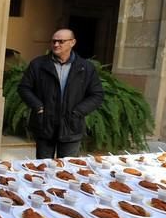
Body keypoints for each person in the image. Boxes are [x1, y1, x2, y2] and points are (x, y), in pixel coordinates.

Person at [18, 28, 104, 159]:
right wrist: (38, 107)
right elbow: (24, 88)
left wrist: (78, 112)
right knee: (43, 168)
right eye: (53, 41)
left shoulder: (86, 68)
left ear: (72, 42)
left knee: (68, 169)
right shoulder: (38, 64)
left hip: (71, 126)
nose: (56, 44)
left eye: (61, 41)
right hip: (44, 125)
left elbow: (97, 94)